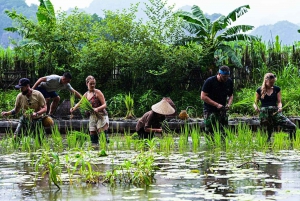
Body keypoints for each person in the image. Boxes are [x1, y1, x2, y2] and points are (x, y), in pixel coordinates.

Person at [253, 73, 296, 141]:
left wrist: (280, 107)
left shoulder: (277, 89)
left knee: (292, 126)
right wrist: (256, 107)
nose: (272, 84)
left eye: (273, 82)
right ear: (266, 81)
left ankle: (292, 143)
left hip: (275, 113)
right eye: (270, 83)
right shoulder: (259, 90)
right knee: (267, 136)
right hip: (264, 114)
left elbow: (279, 102)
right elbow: (255, 103)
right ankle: (267, 149)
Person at [70, 75, 109, 144]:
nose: (93, 85)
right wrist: (73, 108)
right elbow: (80, 103)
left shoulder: (97, 92)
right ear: (86, 84)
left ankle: (106, 149)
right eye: (91, 84)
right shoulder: (86, 94)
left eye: (94, 83)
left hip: (101, 116)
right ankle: (95, 150)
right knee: (92, 135)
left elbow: (105, 104)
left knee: (103, 136)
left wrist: (97, 108)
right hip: (92, 116)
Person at [200, 65, 233, 134]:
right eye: (224, 77)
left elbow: (230, 95)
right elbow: (203, 96)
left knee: (223, 132)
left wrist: (229, 104)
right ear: (219, 74)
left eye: (227, 76)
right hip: (210, 111)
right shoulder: (210, 81)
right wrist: (217, 105)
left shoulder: (229, 82)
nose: (226, 78)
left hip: (222, 110)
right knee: (210, 133)